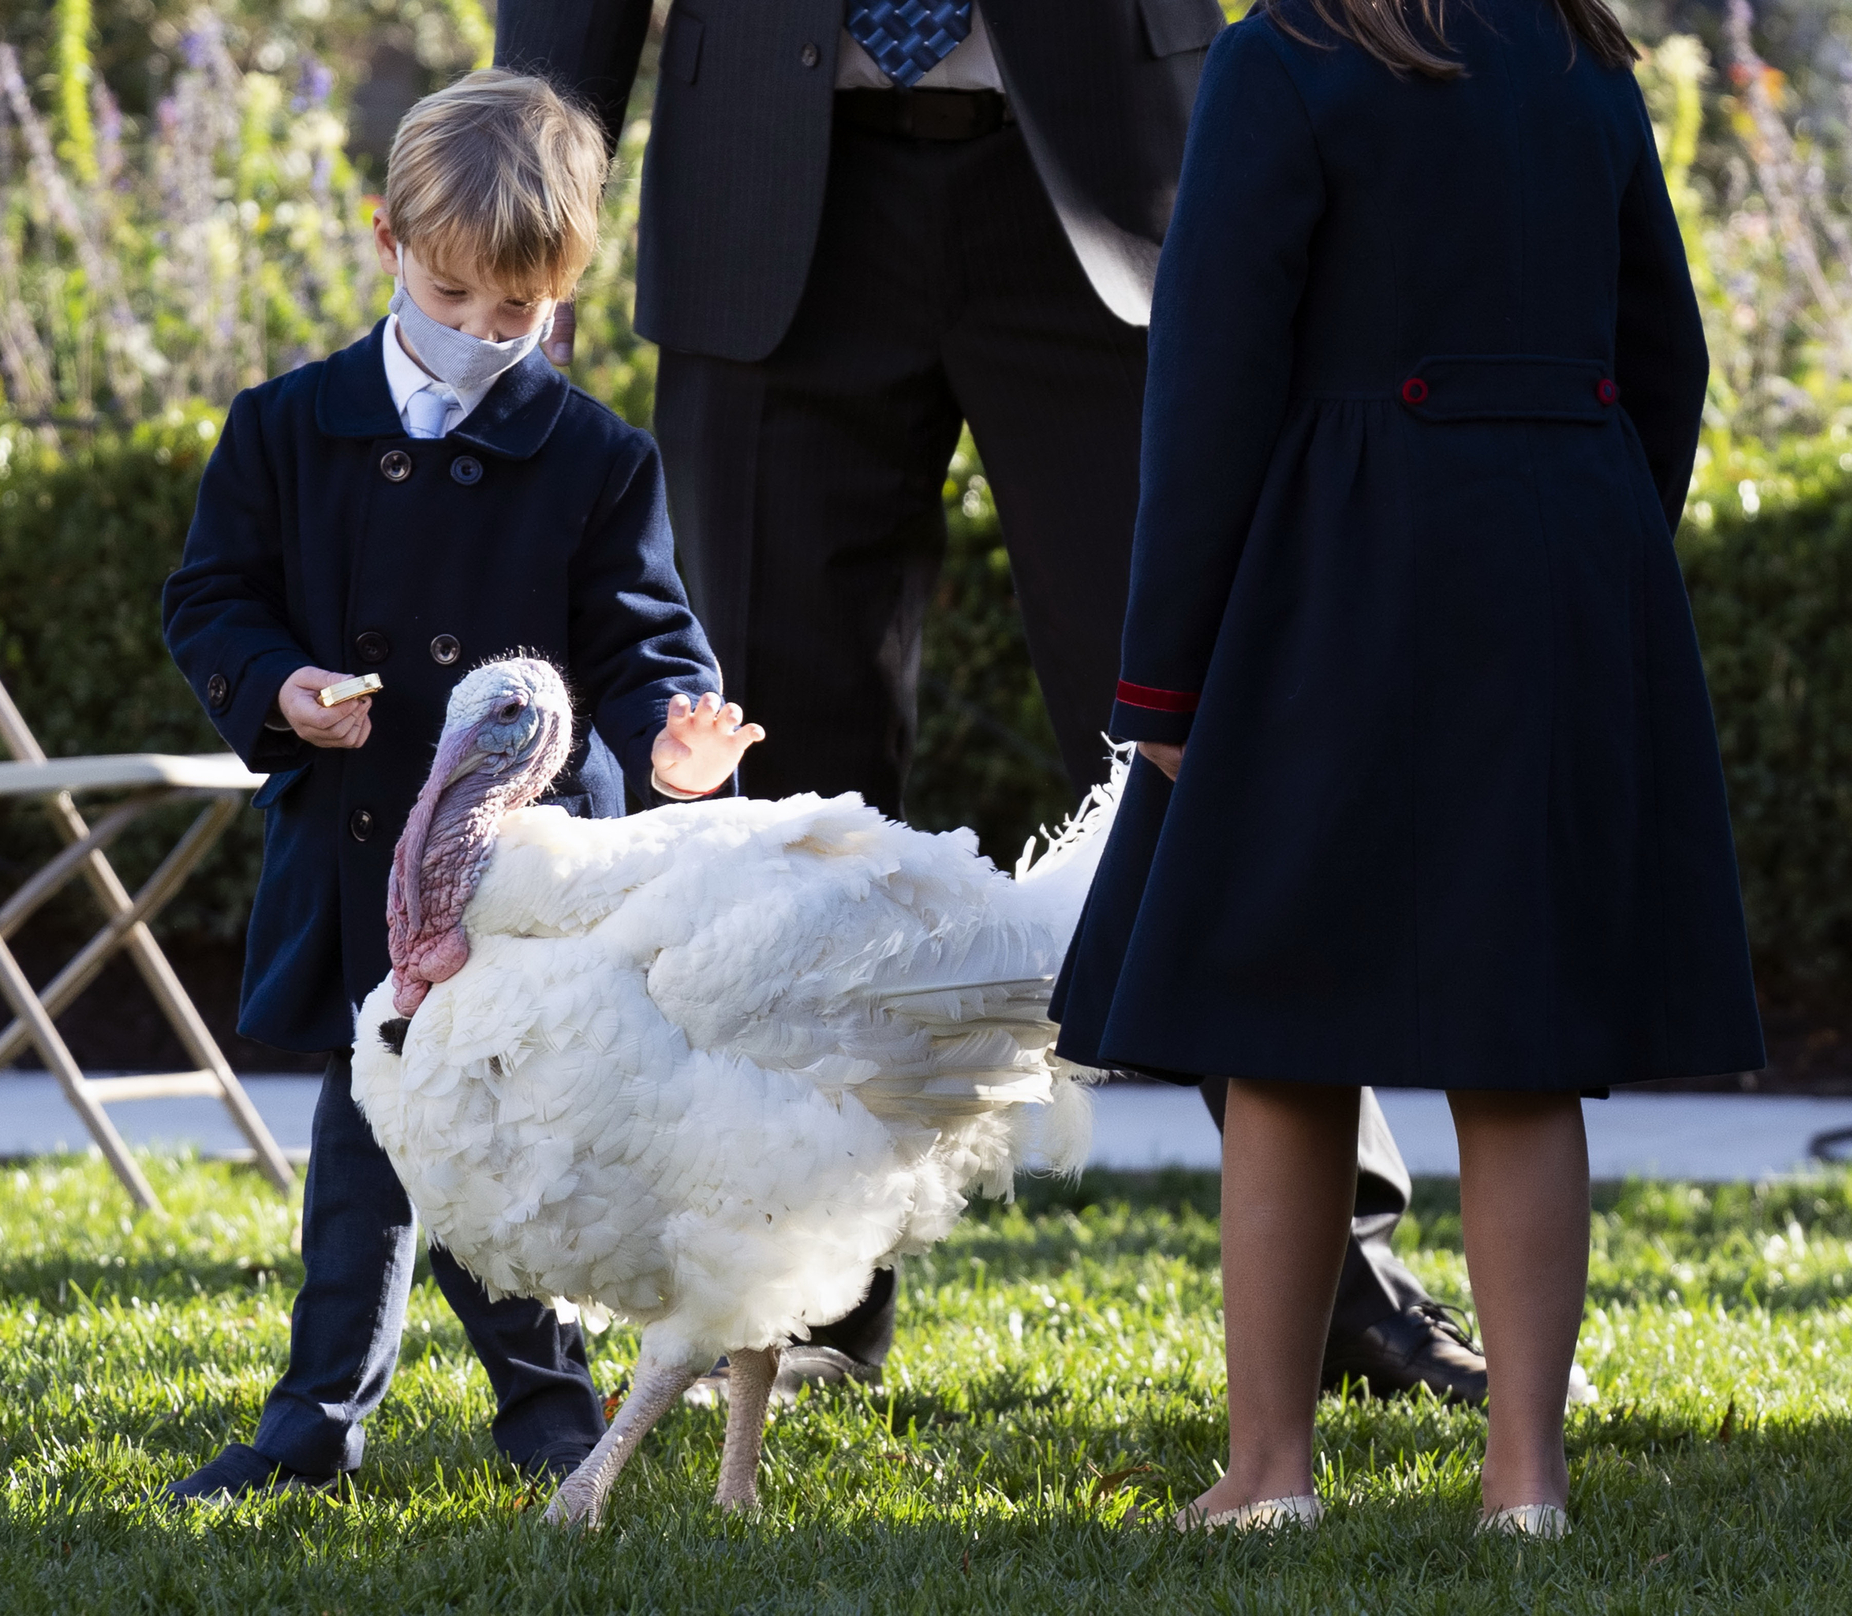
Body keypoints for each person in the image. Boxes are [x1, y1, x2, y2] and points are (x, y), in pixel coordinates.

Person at [497, 0, 1485, 1407]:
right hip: (766, 195)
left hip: (1106, 184)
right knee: (784, 802)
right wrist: (518, 189)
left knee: (1201, 745)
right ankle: (801, 1298)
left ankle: (1350, 1282)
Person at [1054, 0, 1765, 1535]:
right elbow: (1667, 352)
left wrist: (1164, 671)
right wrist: (1595, 539)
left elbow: (1215, 376)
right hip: (1563, 571)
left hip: (1338, 581)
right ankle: (1527, 1479)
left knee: (1284, 1029)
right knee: (1518, 1043)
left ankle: (1269, 1472)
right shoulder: (1589, 61)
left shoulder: (1288, 54)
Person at [158, 69, 761, 1501]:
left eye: (521, 312)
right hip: (358, 860)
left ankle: (548, 1409)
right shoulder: (285, 427)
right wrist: (282, 685)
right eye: (456, 298)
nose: (488, 335)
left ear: (567, 287)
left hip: (517, 887)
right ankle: (313, 1423)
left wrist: (675, 738)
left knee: (506, 1151)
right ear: (387, 242)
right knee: (363, 1152)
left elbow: (640, 639)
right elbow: (209, 601)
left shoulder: (595, 456)